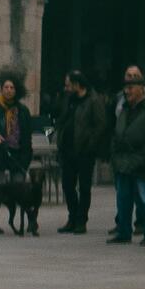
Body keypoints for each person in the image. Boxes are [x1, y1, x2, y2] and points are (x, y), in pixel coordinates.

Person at [108, 66, 145, 246]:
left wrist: (144, 154)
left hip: (141, 162)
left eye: (131, 87)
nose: (127, 91)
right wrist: (115, 154)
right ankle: (124, 232)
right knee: (123, 200)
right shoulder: (124, 108)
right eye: (126, 87)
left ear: (142, 88)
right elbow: (117, 132)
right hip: (123, 162)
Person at [52, 69, 110, 234]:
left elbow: (100, 124)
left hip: (84, 151)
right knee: (68, 185)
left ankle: (81, 220)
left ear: (77, 84)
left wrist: (90, 143)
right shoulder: (68, 99)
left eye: (68, 85)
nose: (66, 88)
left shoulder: (93, 99)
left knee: (84, 187)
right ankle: (72, 217)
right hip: (68, 150)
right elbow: (61, 118)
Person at [0, 74, 33, 236]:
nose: (9, 90)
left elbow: (27, 135)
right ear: (1, 89)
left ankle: (28, 221)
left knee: (21, 189)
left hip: (17, 154)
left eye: (12, 88)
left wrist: (27, 156)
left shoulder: (22, 111)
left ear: (16, 90)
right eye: (6, 87)